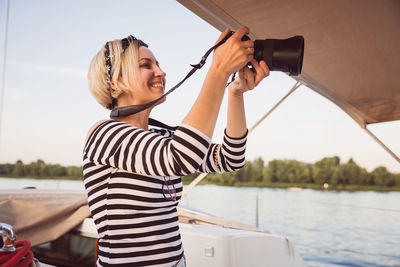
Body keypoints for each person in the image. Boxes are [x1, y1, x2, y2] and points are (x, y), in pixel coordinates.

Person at [83, 26, 269, 267]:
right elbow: (181, 157)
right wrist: (219, 71)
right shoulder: (104, 135)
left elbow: (230, 158)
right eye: (146, 65)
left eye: (157, 64)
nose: (161, 72)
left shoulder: (162, 137)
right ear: (115, 83)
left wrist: (235, 93)